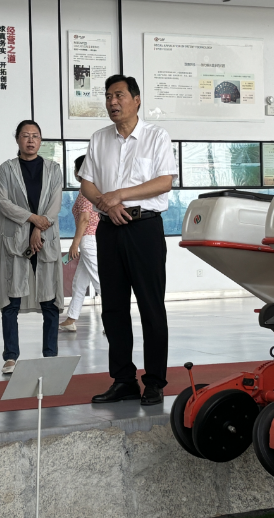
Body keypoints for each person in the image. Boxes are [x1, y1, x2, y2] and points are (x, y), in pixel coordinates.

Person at [79, 75, 178, 406]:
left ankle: (155, 382)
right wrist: (107, 204)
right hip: (109, 229)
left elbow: (164, 182)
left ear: (136, 100)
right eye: (108, 96)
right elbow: (87, 183)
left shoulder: (156, 136)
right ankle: (123, 380)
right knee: (113, 308)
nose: (112, 102)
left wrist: (119, 195)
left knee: (151, 306)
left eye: (119, 95)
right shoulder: (99, 138)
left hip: (143, 228)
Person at [0, 120, 64, 374]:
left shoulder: (54, 169)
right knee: (11, 300)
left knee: (50, 300)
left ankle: (50, 355)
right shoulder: (6, 169)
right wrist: (33, 219)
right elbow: (3, 202)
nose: (31, 140)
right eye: (25, 135)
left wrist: (38, 228)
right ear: (17, 139)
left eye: (35, 136)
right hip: (16, 241)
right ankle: (11, 356)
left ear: (41, 140)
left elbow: (55, 204)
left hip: (45, 239)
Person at [60, 155, 100, 332]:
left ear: (78, 172)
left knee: (99, 281)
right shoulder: (94, 188)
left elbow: (84, 219)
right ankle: (71, 319)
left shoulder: (86, 191)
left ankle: (115, 320)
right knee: (79, 282)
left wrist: (74, 244)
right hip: (91, 239)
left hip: (88, 239)